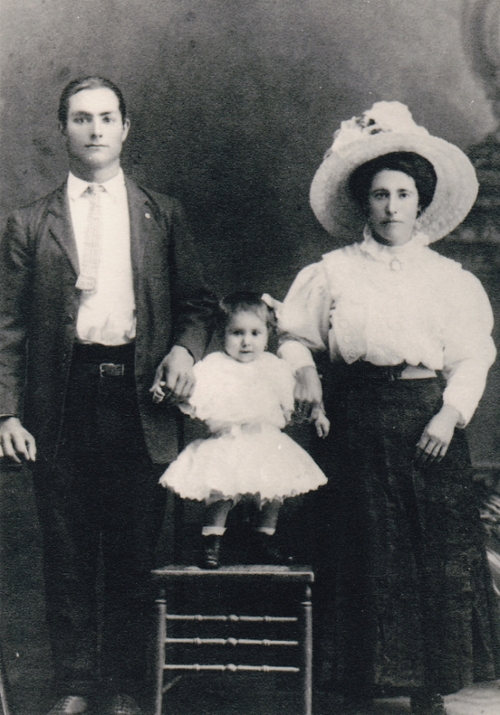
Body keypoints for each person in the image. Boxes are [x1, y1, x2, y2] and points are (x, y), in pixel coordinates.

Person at [0, 77, 217, 715]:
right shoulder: (28, 223)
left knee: (131, 552)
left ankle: (124, 686)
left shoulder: (162, 212)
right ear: (62, 129)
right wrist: (6, 411)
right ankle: (74, 684)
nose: (94, 130)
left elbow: (198, 304)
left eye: (106, 118)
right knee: (65, 551)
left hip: (139, 401)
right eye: (80, 119)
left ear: (126, 128)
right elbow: (7, 326)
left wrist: (184, 348)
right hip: (60, 406)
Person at [276, 102, 500, 715]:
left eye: (403, 193)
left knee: (429, 551)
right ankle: (362, 683)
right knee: (363, 548)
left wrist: (449, 414)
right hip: (355, 419)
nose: (392, 206)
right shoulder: (332, 273)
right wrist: (305, 375)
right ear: (364, 203)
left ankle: (429, 688)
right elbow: (296, 334)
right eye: (380, 194)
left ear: (420, 200)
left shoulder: (449, 278)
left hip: (428, 419)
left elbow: (473, 356)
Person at [154, 292, 329, 568]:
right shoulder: (213, 366)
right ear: (223, 334)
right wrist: (165, 389)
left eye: (255, 333)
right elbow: (189, 390)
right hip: (228, 440)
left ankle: (264, 538)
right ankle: (211, 542)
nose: (247, 341)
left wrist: (317, 412)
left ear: (268, 334)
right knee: (222, 491)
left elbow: (296, 396)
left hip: (266, 439)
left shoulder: (274, 367)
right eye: (237, 333)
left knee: (275, 490)